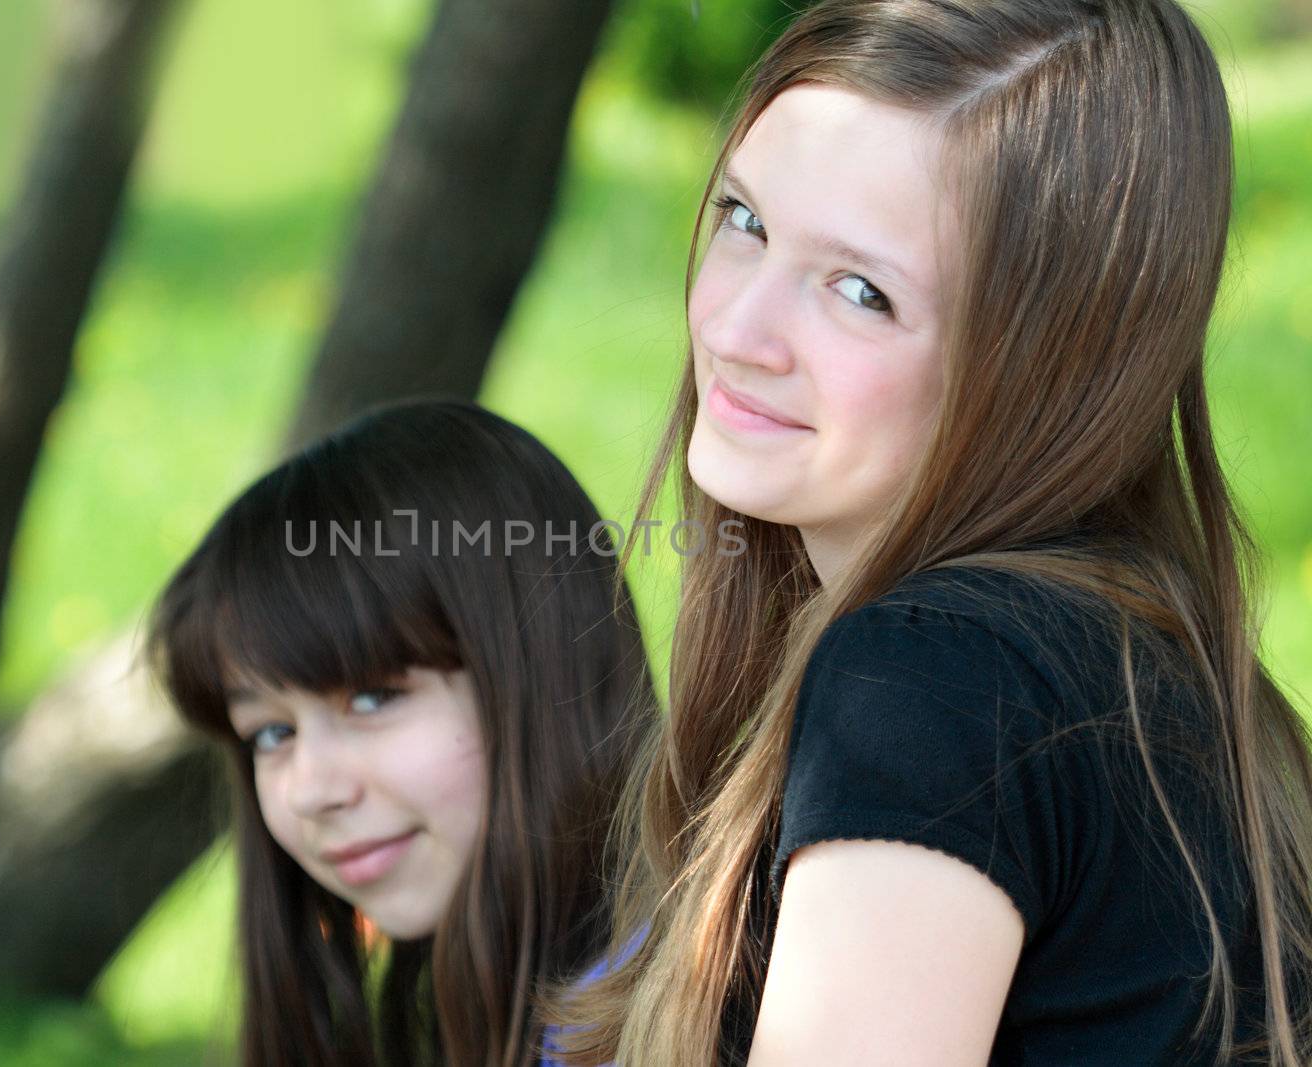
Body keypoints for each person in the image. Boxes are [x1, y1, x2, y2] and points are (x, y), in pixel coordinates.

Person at [548, 0, 1312, 1064]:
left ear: (1047, 369)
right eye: (743, 220)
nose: (733, 328)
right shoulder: (1112, 661)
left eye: (860, 292)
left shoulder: (935, 688)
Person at [147, 400, 658, 1067]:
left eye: (373, 697)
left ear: (544, 670)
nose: (312, 789)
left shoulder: (714, 1018)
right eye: (271, 733)